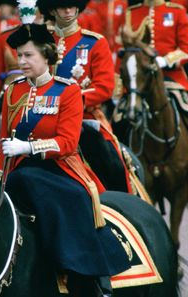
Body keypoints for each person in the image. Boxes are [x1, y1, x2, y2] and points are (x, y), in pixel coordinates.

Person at [0, 22, 130, 297]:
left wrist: (29, 147)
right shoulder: (13, 91)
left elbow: (68, 143)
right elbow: (3, 140)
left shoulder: (66, 91)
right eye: (19, 55)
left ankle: (88, 272)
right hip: (20, 170)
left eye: (28, 55)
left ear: (46, 56)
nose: (21, 61)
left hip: (59, 168)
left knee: (69, 199)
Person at [37, 0, 135, 194]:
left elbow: (104, 87)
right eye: (62, 6)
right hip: (41, 117)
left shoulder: (94, 43)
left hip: (83, 118)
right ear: (51, 9)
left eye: (72, 5)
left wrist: (71, 101)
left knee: (111, 163)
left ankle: (123, 204)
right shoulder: (41, 42)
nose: (68, 10)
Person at [125, 0, 188, 190]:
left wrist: (166, 60)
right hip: (141, 81)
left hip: (171, 78)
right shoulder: (132, 13)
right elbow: (125, 49)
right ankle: (122, 170)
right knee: (118, 118)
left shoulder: (176, 12)